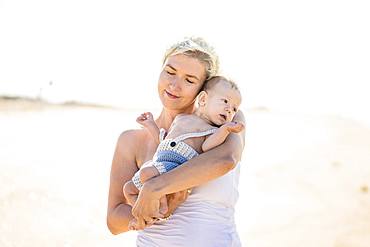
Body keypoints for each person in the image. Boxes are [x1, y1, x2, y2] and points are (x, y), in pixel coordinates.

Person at [107, 37, 246, 247]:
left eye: (189, 80)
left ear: (203, 93)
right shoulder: (132, 140)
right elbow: (114, 220)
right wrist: (155, 213)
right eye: (170, 72)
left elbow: (226, 159)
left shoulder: (227, 119)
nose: (174, 85)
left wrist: (154, 188)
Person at [123, 76, 244, 230]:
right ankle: (142, 215)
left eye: (234, 109)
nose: (229, 109)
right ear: (203, 99)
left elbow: (207, 147)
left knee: (146, 173)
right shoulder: (181, 118)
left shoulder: (212, 130)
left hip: (174, 166)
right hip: (160, 161)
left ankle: (162, 209)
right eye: (225, 102)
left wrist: (225, 130)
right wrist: (150, 124)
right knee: (128, 189)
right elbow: (164, 139)